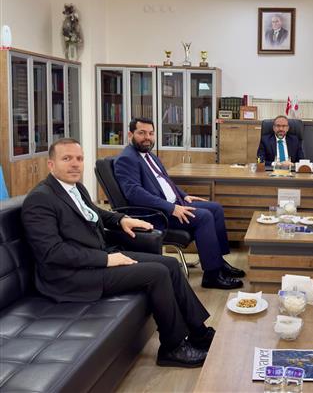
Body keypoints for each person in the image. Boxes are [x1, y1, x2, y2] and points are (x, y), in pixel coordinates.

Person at [22, 138, 214, 368]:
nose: (75, 164)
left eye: (79, 158)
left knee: (170, 264)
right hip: (69, 277)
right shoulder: (40, 200)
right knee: (157, 273)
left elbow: (95, 213)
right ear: (51, 164)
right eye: (67, 158)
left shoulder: (75, 188)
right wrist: (106, 259)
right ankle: (172, 348)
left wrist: (122, 219)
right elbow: (53, 253)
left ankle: (199, 333)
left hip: (95, 259)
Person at [114, 118, 245, 290]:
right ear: (130, 135)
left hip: (172, 204)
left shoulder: (149, 156)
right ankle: (212, 276)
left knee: (215, 208)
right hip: (156, 214)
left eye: (151, 133)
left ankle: (219, 263)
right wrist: (172, 208)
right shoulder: (127, 159)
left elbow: (166, 182)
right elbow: (134, 194)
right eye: (142, 133)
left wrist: (184, 196)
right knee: (204, 217)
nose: (147, 137)